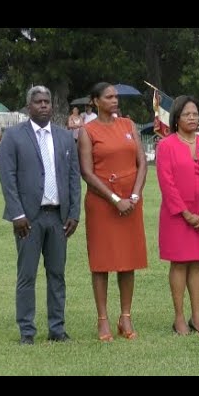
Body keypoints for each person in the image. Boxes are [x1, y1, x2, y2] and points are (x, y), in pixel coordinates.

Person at [0, 86, 81, 345]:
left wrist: (74, 213)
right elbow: (7, 178)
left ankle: (57, 329)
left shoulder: (65, 137)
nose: (44, 105)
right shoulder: (13, 136)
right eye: (38, 102)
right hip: (28, 220)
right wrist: (17, 214)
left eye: (47, 101)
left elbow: (73, 177)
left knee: (57, 275)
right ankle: (27, 332)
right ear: (28, 107)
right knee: (27, 276)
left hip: (58, 218)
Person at [78, 82, 148, 341]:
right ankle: (103, 319)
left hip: (131, 202)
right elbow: (87, 172)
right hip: (102, 204)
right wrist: (115, 199)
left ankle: (126, 316)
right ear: (96, 101)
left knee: (127, 260)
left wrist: (134, 196)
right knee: (102, 262)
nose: (115, 100)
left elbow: (142, 163)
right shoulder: (87, 131)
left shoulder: (128, 125)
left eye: (116, 97)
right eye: (109, 97)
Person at [156, 96, 199, 335]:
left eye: (195, 114)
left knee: (197, 264)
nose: (192, 118)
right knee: (179, 263)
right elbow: (167, 183)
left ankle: (196, 316)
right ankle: (179, 318)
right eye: (187, 114)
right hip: (178, 215)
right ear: (176, 118)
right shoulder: (166, 145)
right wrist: (186, 214)